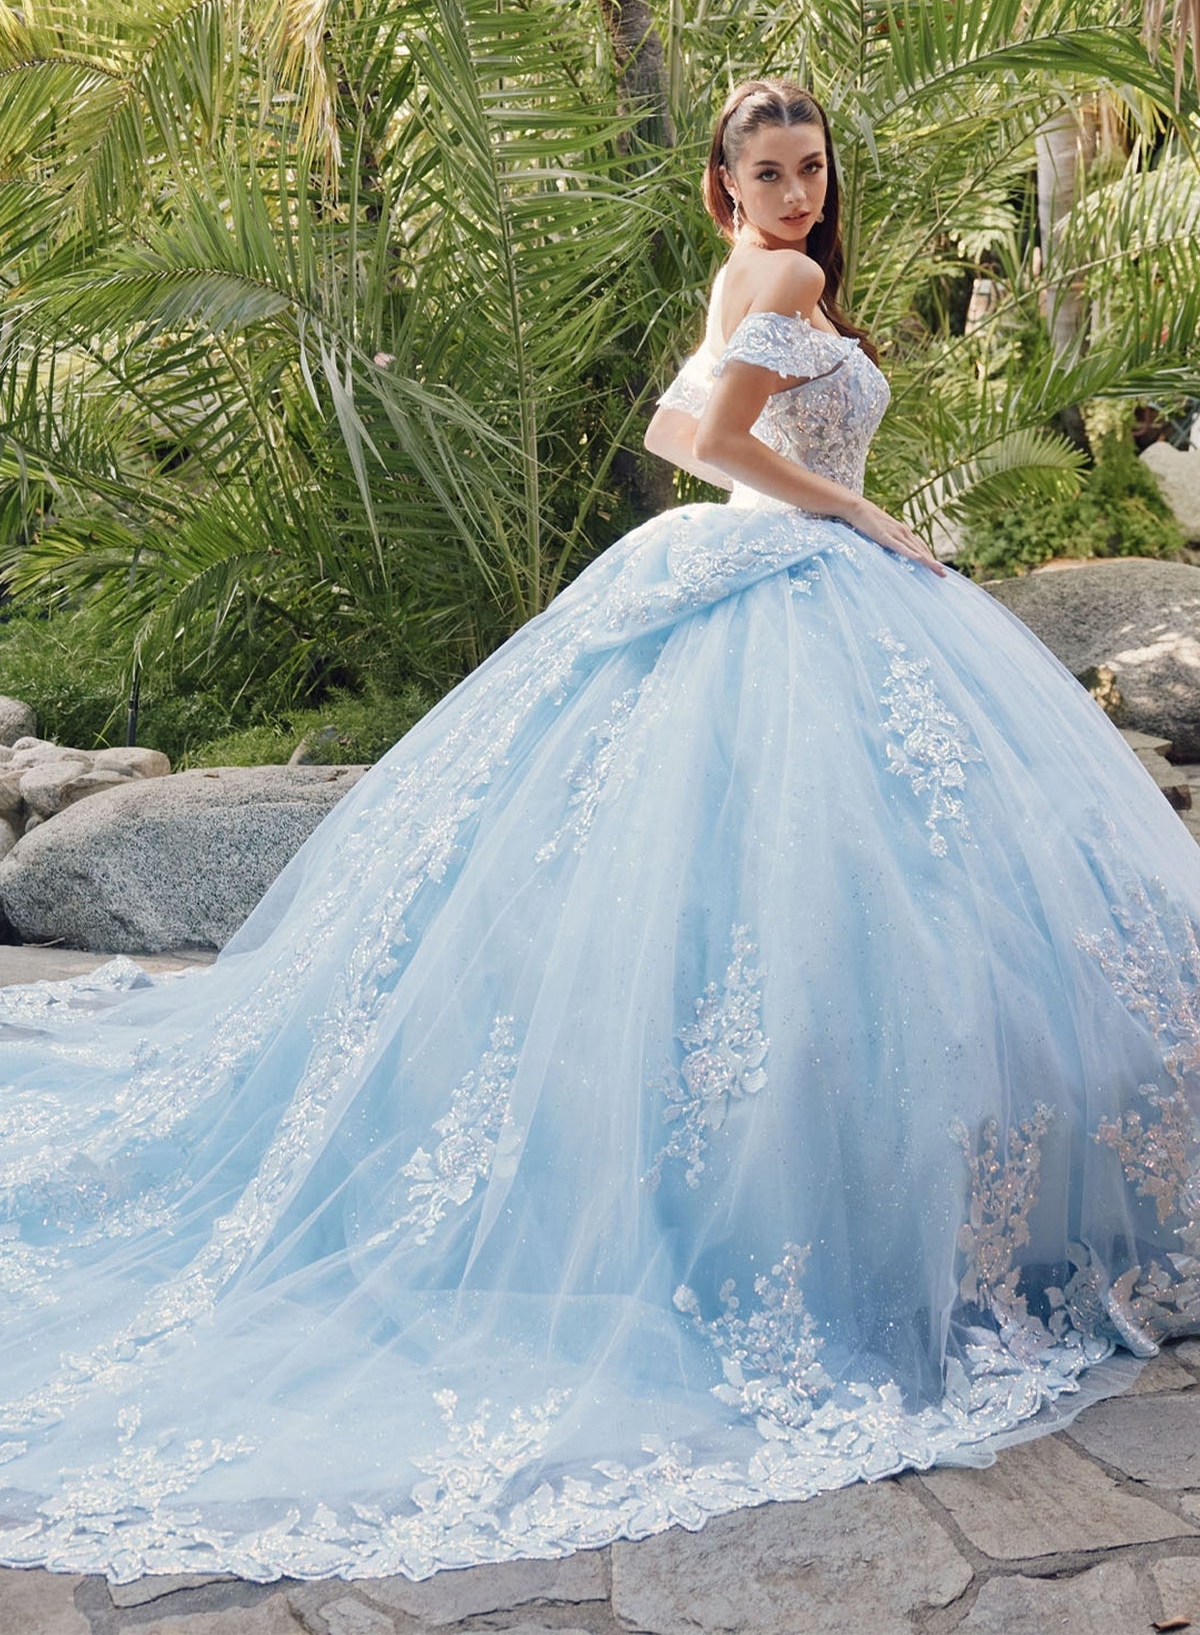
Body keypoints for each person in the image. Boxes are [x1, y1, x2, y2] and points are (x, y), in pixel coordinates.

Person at [0, 78, 1198, 1588]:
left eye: (813, 166)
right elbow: (696, 433)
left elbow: (699, 422)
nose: (799, 192)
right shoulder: (784, 279)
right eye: (771, 171)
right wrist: (858, 514)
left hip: (774, 580)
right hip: (800, 574)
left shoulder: (758, 272)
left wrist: (834, 509)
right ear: (726, 186)